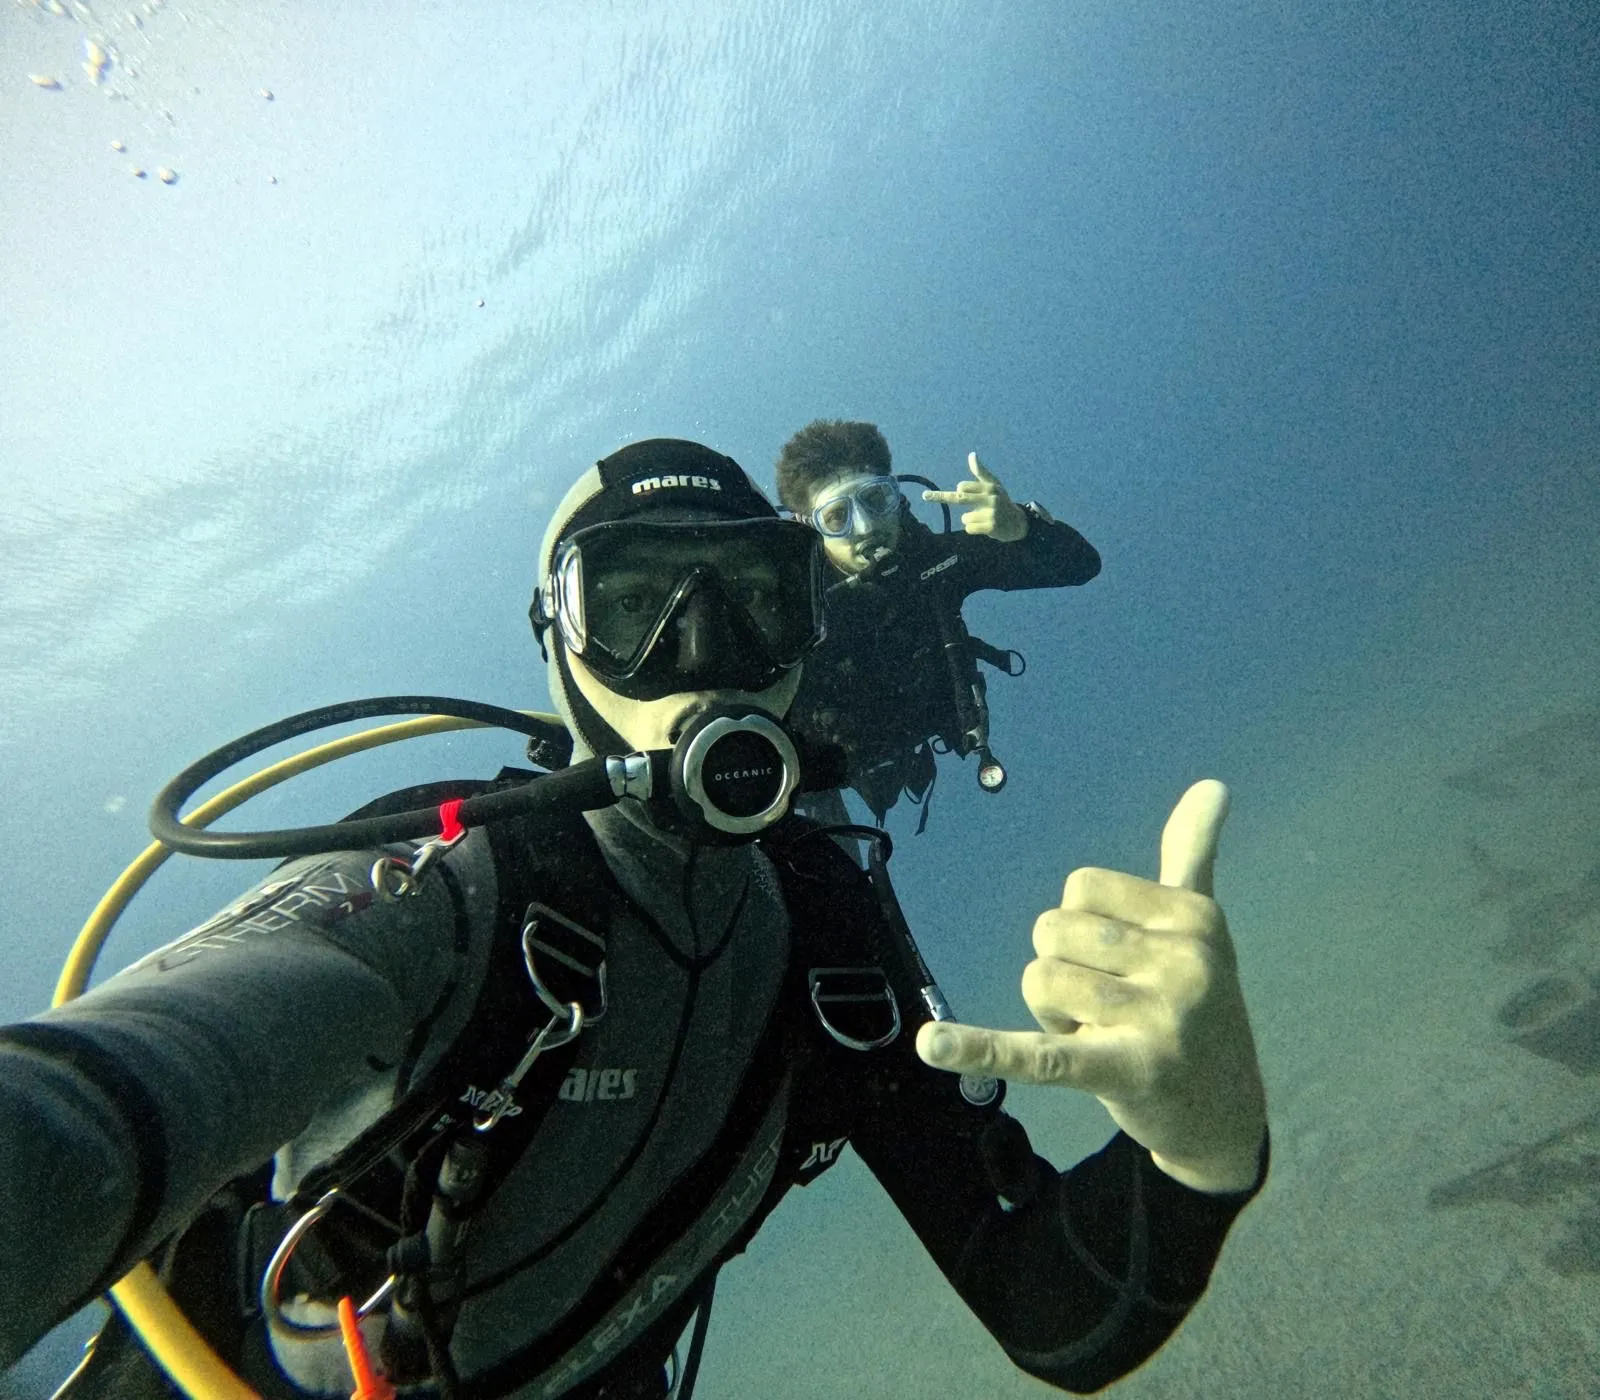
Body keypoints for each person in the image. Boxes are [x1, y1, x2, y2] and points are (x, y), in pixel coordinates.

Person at [0, 439, 1267, 1400]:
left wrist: (1198, 1151)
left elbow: (1051, 1304)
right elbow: (114, 1087)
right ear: (558, 644)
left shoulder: (826, 937)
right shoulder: (447, 883)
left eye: (752, 599)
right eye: (633, 605)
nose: (702, 650)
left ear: (800, 627)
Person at [775, 419, 1102, 828]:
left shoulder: (935, 563)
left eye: (875, 499)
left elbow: (1081, 565)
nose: (866, 526)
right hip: (814, 767)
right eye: (837, 516)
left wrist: (1022, 527)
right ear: (810, 527)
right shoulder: (792, 606)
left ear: (897, 495)